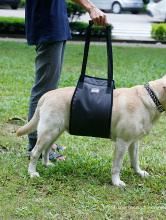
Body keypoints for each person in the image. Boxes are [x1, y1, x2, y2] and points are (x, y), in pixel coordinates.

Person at [25, 0, 108, 161]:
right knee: (44, 90)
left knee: (50, 89)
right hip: (47, 25)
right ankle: (36, 147)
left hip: (55, 24)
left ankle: (46, 142)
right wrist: (91, 7)